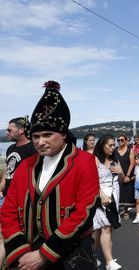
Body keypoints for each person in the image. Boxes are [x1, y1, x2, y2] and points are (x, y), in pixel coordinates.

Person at [1, 81, 99, 269]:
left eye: (47, 135)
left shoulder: (84, 161)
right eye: (36, 137)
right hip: (27, 250)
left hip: (70, 250)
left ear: (63, 134)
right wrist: (22, 252)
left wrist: (44, 254)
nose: (40, 142)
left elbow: (84, 212)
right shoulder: (25, 166)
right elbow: (8, 211)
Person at [0, 116, 37, 264]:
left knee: (26, 236)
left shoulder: (33, 149)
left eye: (10, 130)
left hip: (24, 201)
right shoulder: (10, 148)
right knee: (4, 235)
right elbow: (8, 173)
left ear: (21, 130)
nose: (7, 133)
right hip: (7, 198)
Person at [92, 134, 124, 270]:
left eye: (113, 145)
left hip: (114, 195)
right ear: (102, 145)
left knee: (102, 228)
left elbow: (122, 180)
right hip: (101, 195)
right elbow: (91, 180)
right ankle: (109, 262)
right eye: (110, 145)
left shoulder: (115, 159)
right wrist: (101, 195)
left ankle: (91, 254)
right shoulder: (95, 159)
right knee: (106, 226)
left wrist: (121, 172)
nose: (113, 148)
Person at [114, 134, 135, 220]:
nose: (120, 142)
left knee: (126, 192)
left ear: (126, 141)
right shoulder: (115, 150)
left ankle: (126, 211)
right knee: (118, 192)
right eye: (118, 140)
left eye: (122, 140)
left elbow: (132, 163)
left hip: (127, 173)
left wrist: (128, 175)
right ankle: (117, 211)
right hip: (118, 174)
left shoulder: (130, 150)